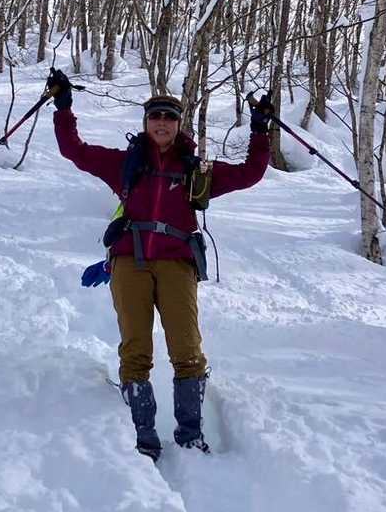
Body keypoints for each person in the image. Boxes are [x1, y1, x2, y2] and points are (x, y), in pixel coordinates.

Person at [47, 70, 273, 458]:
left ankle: (190, 435)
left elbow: (250, 173)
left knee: (187, 350)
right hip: (129, 261)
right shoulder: (125, 163)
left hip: (177, 264)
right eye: (155, 117)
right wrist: (64, 106)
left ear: (179, 124)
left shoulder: (196, 171)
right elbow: (75, 150)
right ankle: (142, 435)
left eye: (169, 117)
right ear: (146, 122)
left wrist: (259, 130)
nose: (162, 123)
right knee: (136, 350)